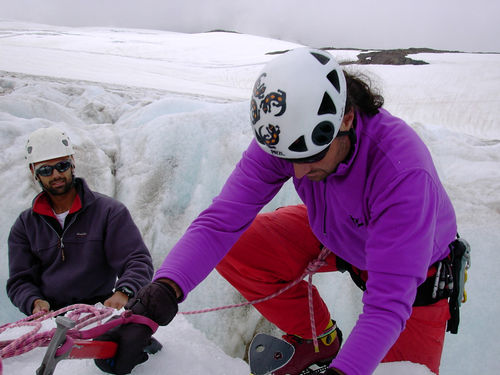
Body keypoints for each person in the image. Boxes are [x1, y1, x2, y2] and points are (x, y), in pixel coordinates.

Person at [98, 48, 459, 375]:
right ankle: (319, 340)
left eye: (310, 157)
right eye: (288, 160)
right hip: (338, 228)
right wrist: (160, 292)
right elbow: (221, 221)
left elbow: (387, 305)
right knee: (239, 246)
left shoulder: (402, 174)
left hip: (415, 272)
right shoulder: (290, 137)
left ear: (346, 118)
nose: (298, 173)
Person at [7, 127, 154, 316]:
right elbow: (20, 280)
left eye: (62, 166)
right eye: (45, 169)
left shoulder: (109, 212)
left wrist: (124, 291)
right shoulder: (25, 225)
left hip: (101, 311)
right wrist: (34, 302)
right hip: (50, 316)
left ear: (73, 163)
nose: (56, 175)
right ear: (33, 172)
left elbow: (137, 260)